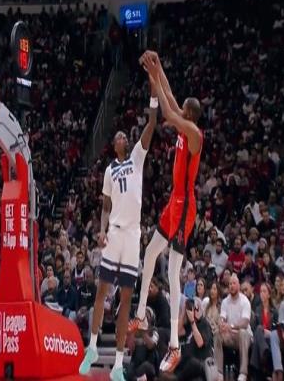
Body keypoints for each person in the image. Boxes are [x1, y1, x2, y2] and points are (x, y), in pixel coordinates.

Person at [79, 52, 158, 381]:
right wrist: (100, 231)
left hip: (133, 236)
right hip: (113, 233)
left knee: (126, 299)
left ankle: (119, 364)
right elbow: (105, 207)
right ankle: (92, 347)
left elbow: (152, 123)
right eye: (119, 136)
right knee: (102, 291)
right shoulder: (110, 170)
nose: (123, 137)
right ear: (114, 145)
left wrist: (153, 85)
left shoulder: (138, 158)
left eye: (126, 135)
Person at [129, 51, 203, 374]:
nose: (178, 109)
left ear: (190, 114)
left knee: (172, 273)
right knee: (149, 254)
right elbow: (169, 96)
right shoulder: (184, 128)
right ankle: (140, 313)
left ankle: (174, 345)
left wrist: (155, 74)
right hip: (174, 202)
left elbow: (169, 111)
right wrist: (156, 71)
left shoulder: (194, 135)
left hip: (185, 206)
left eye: (183, 109)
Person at [214, 274, 252, 381]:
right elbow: (222, 317)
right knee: (217, 334)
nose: (232, 286)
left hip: (244, 336)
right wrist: (221, 324)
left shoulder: (245, 301)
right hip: (230, 336)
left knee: (243, 333)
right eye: (230, 284)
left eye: (234, 283)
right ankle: (219, 373)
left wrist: (231, 326)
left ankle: (243, 373)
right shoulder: (225, 302)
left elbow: (245, 323)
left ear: (238, 286)